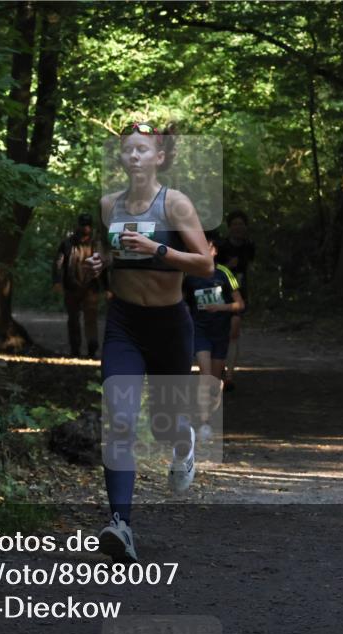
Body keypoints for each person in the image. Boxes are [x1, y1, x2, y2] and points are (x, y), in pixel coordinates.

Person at [84, 122, 214, 563]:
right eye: (127, 150)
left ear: (159, 157)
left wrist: (158, 249)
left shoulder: (175, 204)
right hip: (123, 323)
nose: (134, 156)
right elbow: (111, 253)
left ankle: (183, 441)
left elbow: (205, 265)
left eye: (143, 150)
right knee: (118, 418)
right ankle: (120, 524)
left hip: (169, 326)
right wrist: (100, 263)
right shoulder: (108, 205)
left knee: (163, 424)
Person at [183, 234, 244, 441]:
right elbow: (182, 303)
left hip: (220, 331)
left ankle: (211, 416)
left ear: (214, 250)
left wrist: (221, 307)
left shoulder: (224, 273)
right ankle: (204, 421)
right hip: (199, 331)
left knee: (214, 381)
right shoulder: (188, 276)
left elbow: (240, 305)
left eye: (206, 246)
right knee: (205, 375)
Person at [214, 210, 255, 391]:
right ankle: (219, 369)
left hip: (239, 292)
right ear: (229, 227)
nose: (238, 227)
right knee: (219, 332)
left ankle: (229, 375)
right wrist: (225, 267)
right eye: (235, 224)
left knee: (234, 331)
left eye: (241, 224)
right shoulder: (220, 246)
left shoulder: (249, 246)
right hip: (219, 292)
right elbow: (211, 268)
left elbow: (249, 268)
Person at [53, 213, 103, 358]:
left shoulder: (96, 244)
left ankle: (92, 348)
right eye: (83, 225)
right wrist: (57, 281)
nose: (85, 228)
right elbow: (58, 263)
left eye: (88, 225)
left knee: (91, 318)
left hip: (91, 287)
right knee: (73, 319)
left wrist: (106, 287)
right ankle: (75, 350)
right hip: (72, 286)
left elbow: (103, 266)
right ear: (78, 225)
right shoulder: (67, 243)